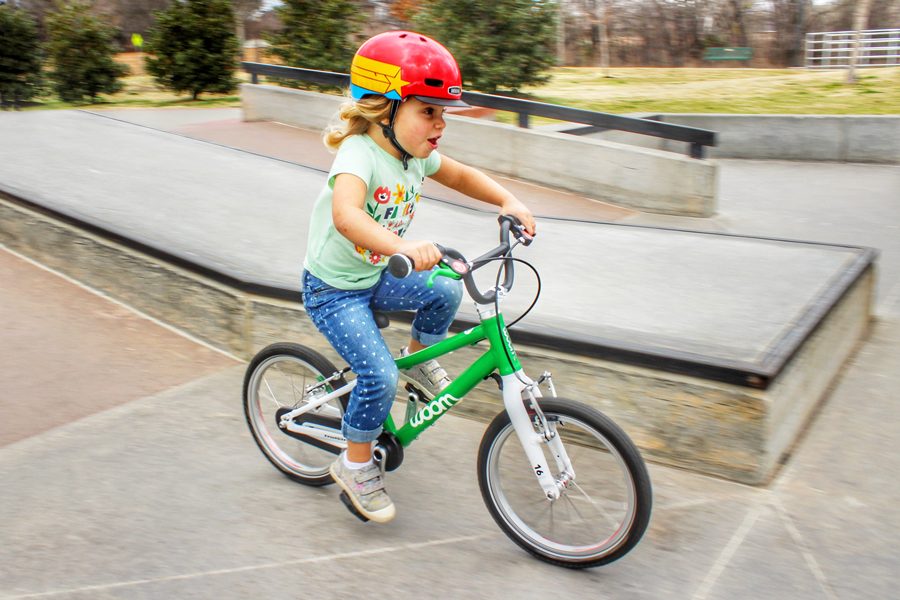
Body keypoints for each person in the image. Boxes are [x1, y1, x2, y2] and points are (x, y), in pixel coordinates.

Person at [301, 30, 536, 523]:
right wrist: (405, 246)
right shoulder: (359, 156)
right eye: (428, 111)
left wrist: (507, 201)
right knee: (377, 378)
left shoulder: (415, 155)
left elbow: (461, 175)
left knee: (447, 287)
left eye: (442, 113)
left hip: (375, 275)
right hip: (334, 290)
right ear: (385, 109)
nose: (440, 123)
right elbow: (347, 216)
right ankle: (355, 462)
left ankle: (417, 358)